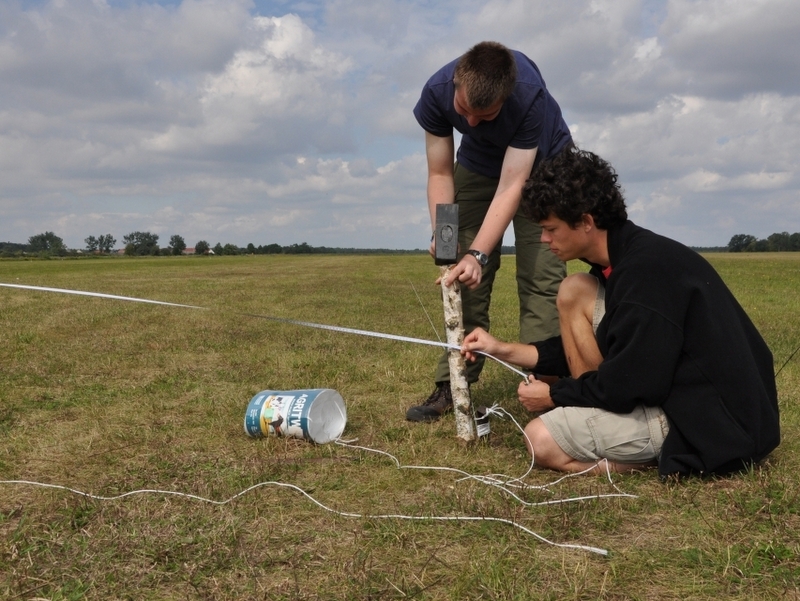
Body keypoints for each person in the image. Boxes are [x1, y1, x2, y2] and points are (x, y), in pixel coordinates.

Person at [461, 146, 780, 478]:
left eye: (551, 229)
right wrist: (501, 349)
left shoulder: (644, 274)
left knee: (540, 440)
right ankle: (606, 424)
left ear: (585, 222)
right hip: (681, 389)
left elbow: (633, 384)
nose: (543, 239)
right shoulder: (620, 257)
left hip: (713, 421)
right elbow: (615, 346)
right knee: (574, 289)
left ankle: (660, 456)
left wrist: (554, 395)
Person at [407, 41, 572, 422]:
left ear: (506, 97)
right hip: (478, 167)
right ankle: (454, 385)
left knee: (542, 279)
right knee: (461, 275)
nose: (473, 124)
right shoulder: (435, 92)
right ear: (454, 85)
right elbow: (439, 172)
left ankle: (545, 385)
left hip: (545, 168)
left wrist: (479, 254)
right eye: (465, 112)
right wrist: (446, 238)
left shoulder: (529, 97)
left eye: (487, 116)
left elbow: (513, 185)